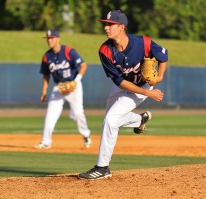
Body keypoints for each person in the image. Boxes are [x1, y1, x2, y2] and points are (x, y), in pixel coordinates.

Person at [78, 10, 168, 180]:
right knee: (111, 120)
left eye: (110, 25)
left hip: (142, 85)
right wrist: (147, 93)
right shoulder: (105, 50)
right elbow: (119, 82)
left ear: (121, 27)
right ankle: (139, 120)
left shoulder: (143, 43)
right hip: (124, 86)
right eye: (105, 24)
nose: (106, 28)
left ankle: (102, 167)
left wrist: (160, 76)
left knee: (111, 120)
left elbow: (163, 56)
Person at [35, 29, 92, 149]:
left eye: (52, 38)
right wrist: (44, 91)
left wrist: (76, 81)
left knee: (77, 113)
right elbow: (46, 75)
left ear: (58, 39)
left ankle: (86, 135)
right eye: (48, 39)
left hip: (73, 86)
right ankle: (46, 141)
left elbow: (83, 65)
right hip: (59, 87)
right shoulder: (47, 56)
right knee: (51, 113)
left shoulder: (68, 51)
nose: (49, 40)